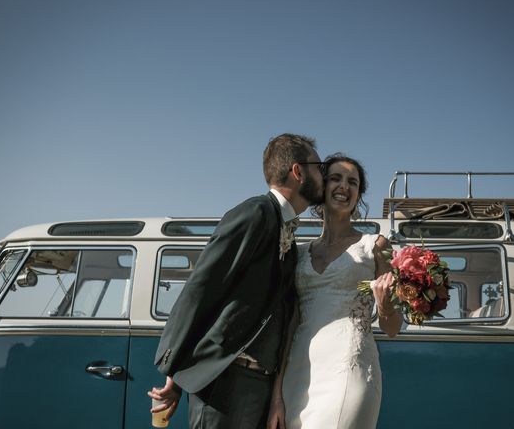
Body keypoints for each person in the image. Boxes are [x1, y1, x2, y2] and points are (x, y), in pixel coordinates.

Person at [149, 133, 326, 429]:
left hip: (260, 383)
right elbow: (203, 286)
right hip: (225, 383)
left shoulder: (289, 237)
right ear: (298, 172)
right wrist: (174, 371)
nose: (323, 175)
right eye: (318, 167)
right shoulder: (255, 213)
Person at [267, 154, 403, 429]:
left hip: (349, 369)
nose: (344, 186)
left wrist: (385, 305)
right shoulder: (299, 253)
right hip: (298, 374)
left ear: (358, 195)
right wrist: (276, 394)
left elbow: (392, 328)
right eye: (336, 179)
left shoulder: (375, 246)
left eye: (353, 182)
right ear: (322, 187)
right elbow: (290, 322)